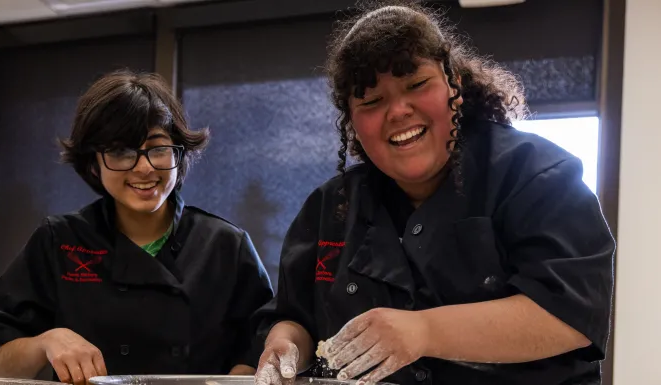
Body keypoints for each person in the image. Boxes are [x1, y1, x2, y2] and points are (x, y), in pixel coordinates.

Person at [250, 2, 615, 385]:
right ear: (352, 123)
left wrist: (423, 331)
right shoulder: (331, 207)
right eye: (372, 101)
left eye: (417, 85)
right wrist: (285, 343)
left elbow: (569, 315)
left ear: (454, 85)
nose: (398, 111)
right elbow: (295, 316)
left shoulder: (537, 176)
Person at [0, 70, 274, 385]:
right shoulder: (59, 240)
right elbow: (1, 363)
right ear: (94, 163)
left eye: (157, 148)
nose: (143, 167)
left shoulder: (226, 245)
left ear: (179, 153)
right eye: (121, 152)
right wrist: (47, 341)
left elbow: (259, 351)